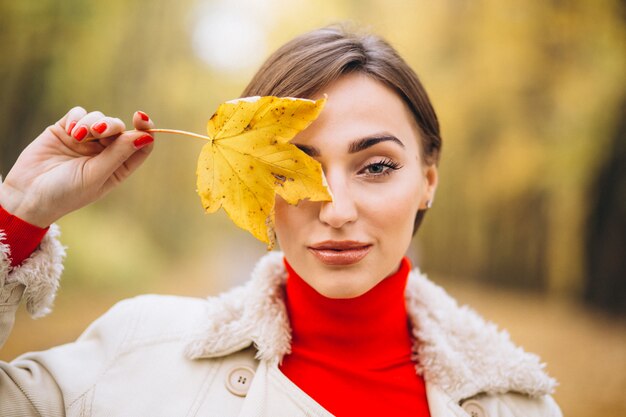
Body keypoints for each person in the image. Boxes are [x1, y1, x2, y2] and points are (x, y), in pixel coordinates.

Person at [0, 26, 562, 416]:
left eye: (377, 166)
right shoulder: (138, 354)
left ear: (428, 182)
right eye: (295, 169)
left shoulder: (518, 404)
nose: (337, 210)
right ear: (256, 181)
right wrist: (22, 211)